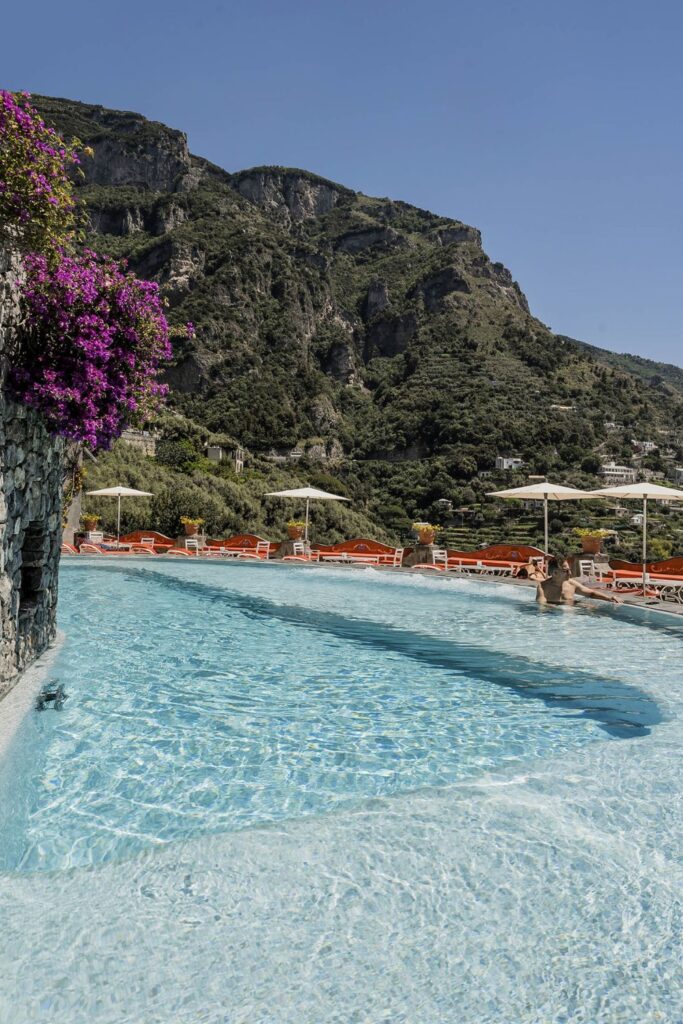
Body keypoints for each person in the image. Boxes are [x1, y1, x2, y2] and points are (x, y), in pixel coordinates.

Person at [536, 556, 622, 607]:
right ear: (555, 573)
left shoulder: (571, 584)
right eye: (565, 571)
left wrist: (609, 598)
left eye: (569, 570)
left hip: (571, 620)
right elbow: (542, 606)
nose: (570, 573)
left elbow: (591, 593)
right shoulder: (543, 587)